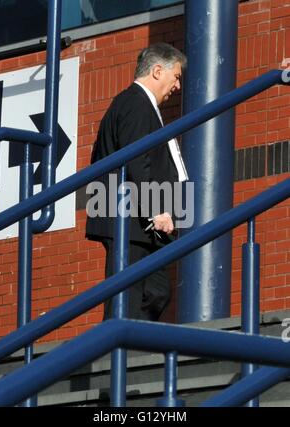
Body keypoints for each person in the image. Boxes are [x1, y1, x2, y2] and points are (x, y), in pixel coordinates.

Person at [86, 43, 187, 321]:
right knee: (128, 297)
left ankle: (134, 351)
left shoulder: (139, 104)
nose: (177, 86)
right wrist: (155, 209)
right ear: (157, 71)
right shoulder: (136, 103)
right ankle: (118, 358)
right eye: (176, 76)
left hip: (137, 221)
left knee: (156, 291)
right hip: (129, 218)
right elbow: (137, 158)